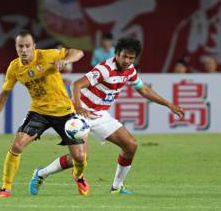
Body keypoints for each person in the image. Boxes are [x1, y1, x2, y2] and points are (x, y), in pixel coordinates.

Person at [29, 37, 184, 195]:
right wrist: (78, 106)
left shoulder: (129, 70)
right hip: (80, 114)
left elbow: (143, 89)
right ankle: (41, 174)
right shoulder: (105, 69)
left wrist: (169, 104)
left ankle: (116, 187)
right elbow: (76, 84)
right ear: (116, 53)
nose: (127, 60)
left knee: (130, 145)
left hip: (100, 115)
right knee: (80, 157)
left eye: (131, 58)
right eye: (124, 56)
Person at [0, 30, 90, 198]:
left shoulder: (48, 56)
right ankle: (5, 189)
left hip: (65, 112)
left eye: (27, 46)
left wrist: (66, 60)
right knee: (16, 146)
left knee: (80, 157)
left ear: (34, 47)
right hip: (39, 112)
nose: (24, 50)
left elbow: (78, 52)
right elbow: (4, 94)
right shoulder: (15, 68)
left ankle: (78, 176)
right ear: (16, 47)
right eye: (20, 46)